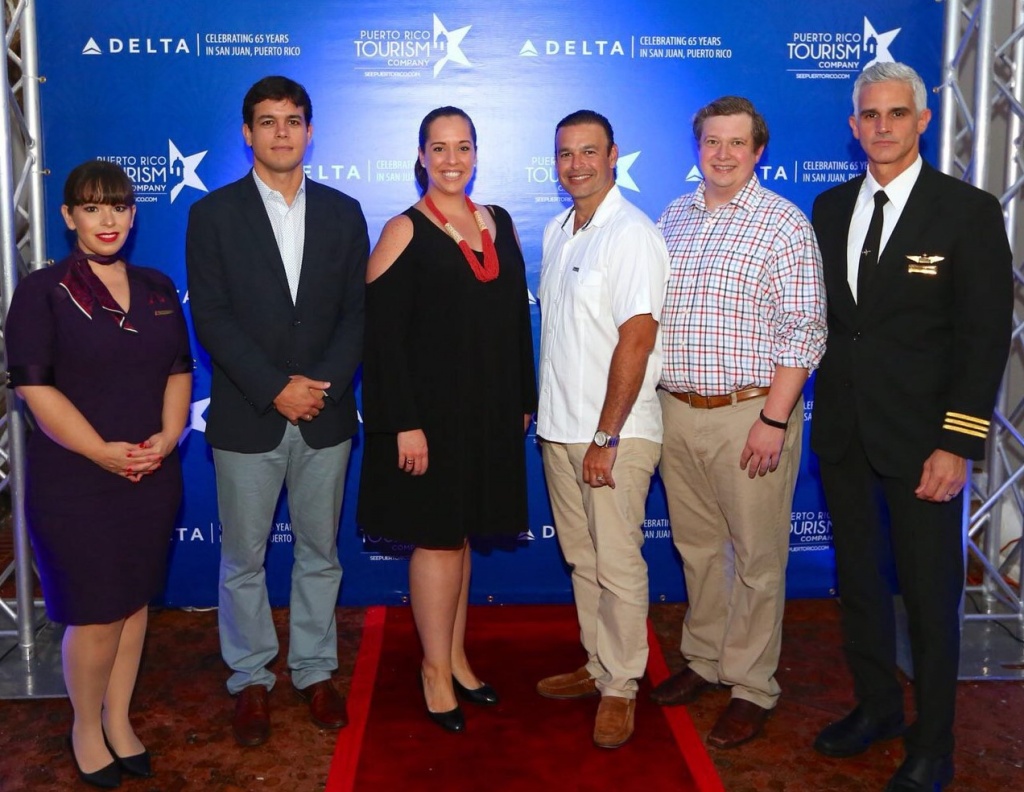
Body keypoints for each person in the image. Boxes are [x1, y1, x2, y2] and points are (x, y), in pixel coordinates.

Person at [810, 62, 1011, 791]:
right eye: (870, 114)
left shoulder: (966, 211)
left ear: (923, 121)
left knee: (929, 600)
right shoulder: (830, 208)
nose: (883, 126)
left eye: (897, 113)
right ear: (854, 125)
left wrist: (956, 443)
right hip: (845, 436)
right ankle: (877, 708)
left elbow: (983, 338)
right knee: (860, 586)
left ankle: (934, 743)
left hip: (926, 444)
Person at [185, 76, 368, 747]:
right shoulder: (213, 215)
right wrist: (275, 388)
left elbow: (357, 313)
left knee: (320, 554)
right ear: (247, 133)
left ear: (310, 131)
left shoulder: (345, 212)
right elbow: (211, 317)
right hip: (247, 416)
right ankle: (251, 679)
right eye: (268, 121)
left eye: (293, 120)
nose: (281, 132)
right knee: (243, 559)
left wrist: (318, 388)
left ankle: (315, 670)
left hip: (325, 414)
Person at [4, 160, 192, 787]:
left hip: (150, 472)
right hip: (76, 479)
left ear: (133, 214)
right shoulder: (43, 291)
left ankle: (119, 718)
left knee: (133, 605)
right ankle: (85, 727)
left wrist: (169, 436)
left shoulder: (158, 286)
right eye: (91, 207)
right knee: (96, 612)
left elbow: (178, 371)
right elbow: (34, 389)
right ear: (68, 217)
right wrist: (100, 452)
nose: (107, 219)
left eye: (117, 206)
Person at [649, 96, 826, 749]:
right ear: (698, 148)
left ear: (758, 151)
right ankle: (705, 659)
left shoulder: (783, 224)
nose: (722, 154)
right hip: (678, 409)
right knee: (698, 547)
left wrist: (774, 419)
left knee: (756, 555)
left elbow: (804, 330)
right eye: (712, 142)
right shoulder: (673, 217)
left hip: (752, 411)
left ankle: (752, 684)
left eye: (737, 143)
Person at [358, 106, 537, 733]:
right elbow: (381, 342)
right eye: (439, 148)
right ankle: (433, 671)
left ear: (477, 153)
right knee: (436, 539)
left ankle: (456, 658)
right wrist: (402, 423)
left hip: (487, 413)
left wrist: (523, 399)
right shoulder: (402, 230)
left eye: (462, 147)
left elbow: (516, 322)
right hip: (427, 421)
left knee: (460, 537)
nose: (451, 159)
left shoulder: (499, 222)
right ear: (421, 156)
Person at [534, 110, 669, 749]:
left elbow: (636, 339)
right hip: (560, 430)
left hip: (614, 435)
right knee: (582, 558)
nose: (577, 164)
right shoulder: (558, 230)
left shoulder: (632, 233)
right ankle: (598, 665)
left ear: (613, 155)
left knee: (616, 562)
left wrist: (607, 435)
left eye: (589, 152)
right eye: (566, 154)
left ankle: (622, 685)